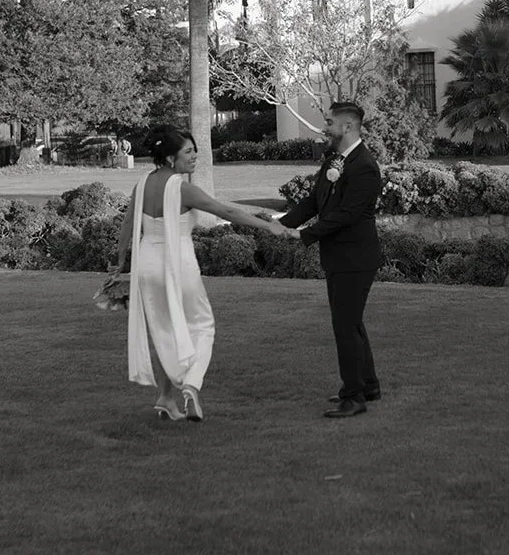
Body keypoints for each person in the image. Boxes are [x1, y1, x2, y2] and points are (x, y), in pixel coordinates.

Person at [111, 123, 294, 422]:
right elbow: (227, 212)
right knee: (202, 325)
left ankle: (165, 398)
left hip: (146, 265)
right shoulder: (182, 188)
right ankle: (192, 385)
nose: (195, 156)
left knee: (166, 330)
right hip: (177, 263)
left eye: (194, 150)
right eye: (188, 152)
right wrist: (269, 225)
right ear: (170, 158)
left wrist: (119, 264)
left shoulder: (142, 184)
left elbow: (127, 226)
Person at [279, 102, 384, 419]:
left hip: (355, 257)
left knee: (344, 326)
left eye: (329, 122)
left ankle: (353, 397)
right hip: (339, 257)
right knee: (351, 323)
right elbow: (315, 201)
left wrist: (306, 235)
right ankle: (368, 386)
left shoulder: (364, 166)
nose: (325, 127)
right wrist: (282, 224)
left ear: (348, 126)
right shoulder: (334, 159)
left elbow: (347, 215)